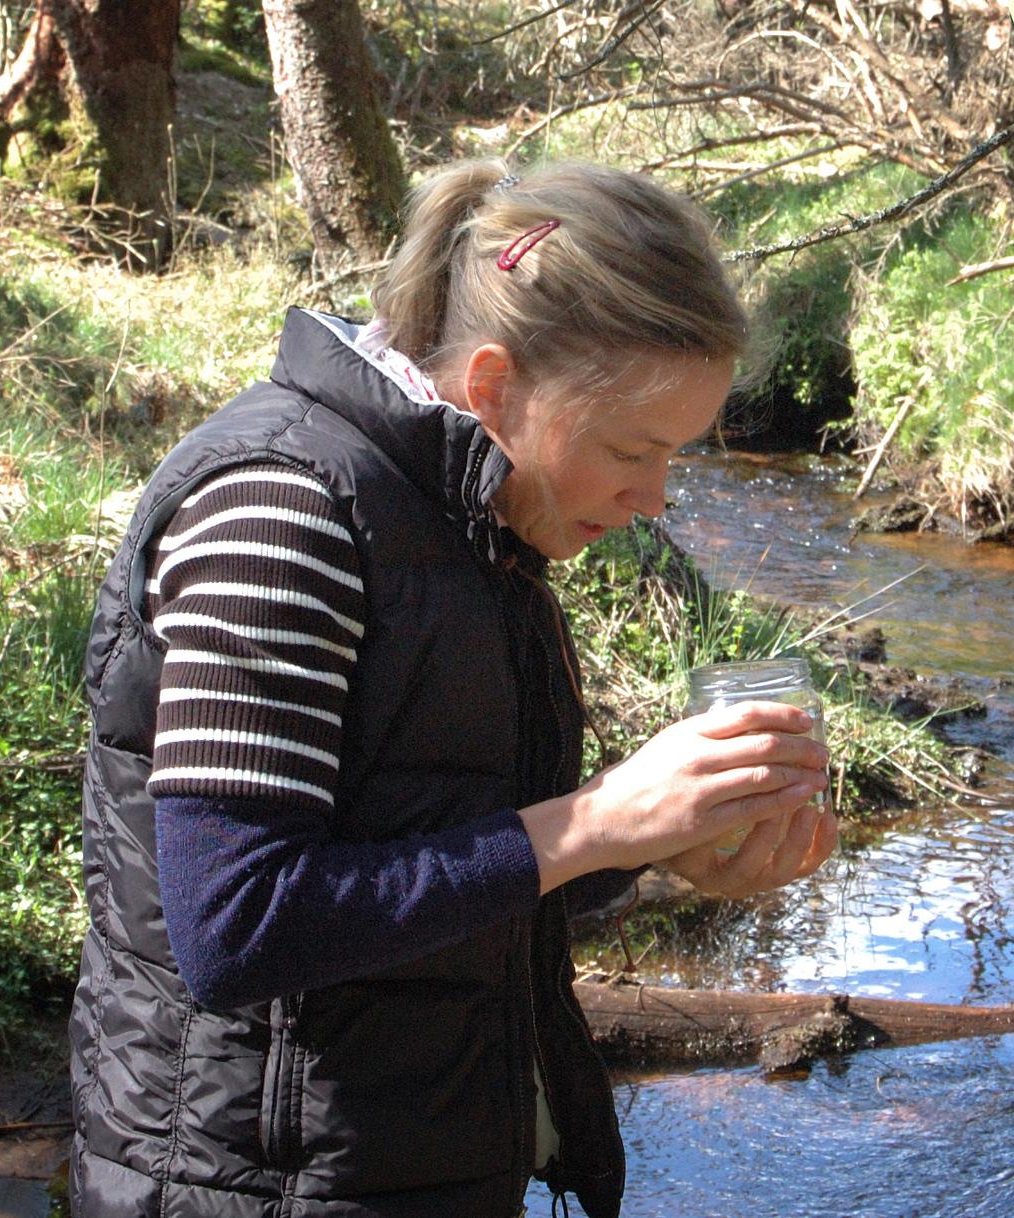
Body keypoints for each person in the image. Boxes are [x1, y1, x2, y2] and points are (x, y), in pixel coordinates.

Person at [68, 157, 836, 1218]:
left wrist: (658, 848)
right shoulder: (280, 518)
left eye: (677, 459)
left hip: (405, 1166)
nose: (654, 498)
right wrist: (598, 823)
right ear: (490, 386)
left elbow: (449, 851)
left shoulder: (472, 521)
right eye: (631, 448)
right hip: (252, 1187)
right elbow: (237, 927)